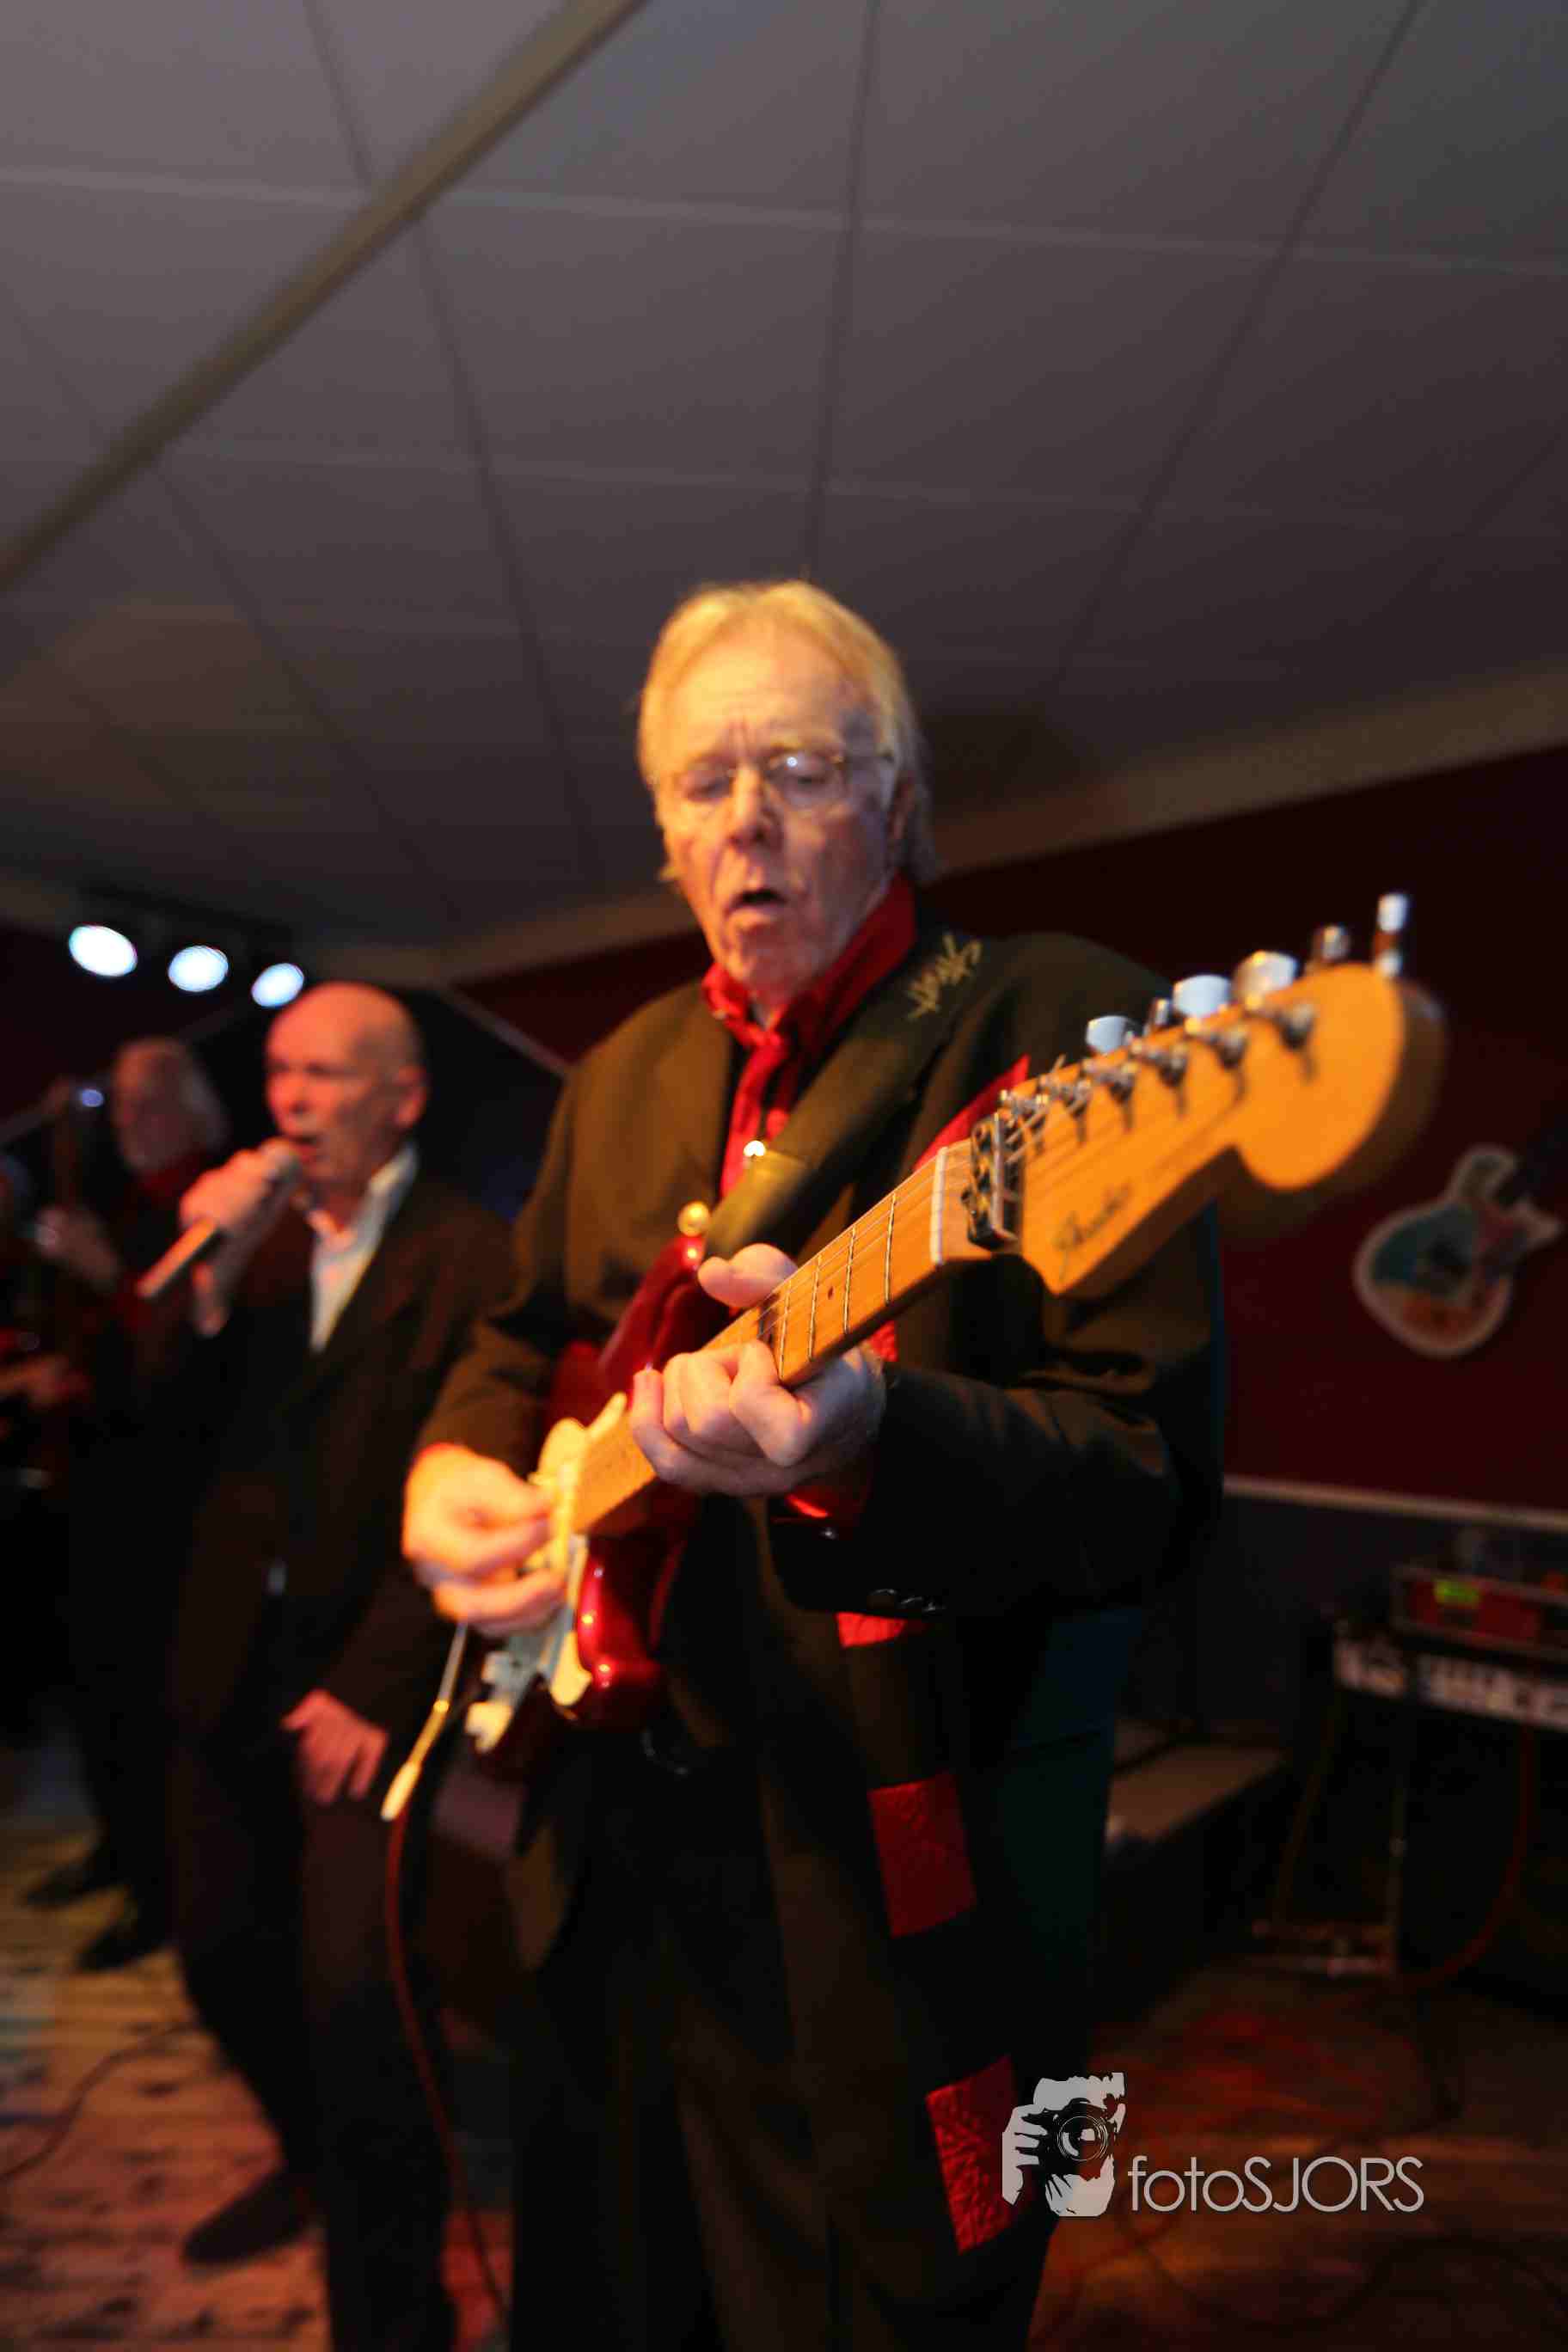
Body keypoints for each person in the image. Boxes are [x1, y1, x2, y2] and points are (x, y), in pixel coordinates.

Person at [402, 582, 1225, 2352]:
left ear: (898, 797)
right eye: (702, 783)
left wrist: (867, 1441)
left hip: (895, 1876)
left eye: (797, 765)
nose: (746, 820)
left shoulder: (1062, 1024)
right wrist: (455, 1461)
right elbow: (514, 1337)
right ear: (663, 835)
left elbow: (1142, 1484)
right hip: (607, 1845)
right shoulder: (617, 1076)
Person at [162, 983, 513, 2352]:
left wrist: (376, 1681)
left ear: (402, 1097)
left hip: (372, 1671)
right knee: (218, 1955)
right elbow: (154, 1447)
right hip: (230, 1660)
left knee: (363, 2005)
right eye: (278, 1074)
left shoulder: (468, 1252)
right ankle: (312, 2163)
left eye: (324, 1075)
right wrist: (204, 1277)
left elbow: (470, 1471)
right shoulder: (248, 1247)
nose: (293, 1103)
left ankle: (394, 2309)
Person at [23, 1039, 226, 1962]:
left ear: (193, 1107)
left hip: (172, 1509)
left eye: (150, 1103)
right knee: (97, 1691)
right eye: (126, 1106)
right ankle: (121, 1850)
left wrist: (107, 1276)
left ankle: (159, 1888)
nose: (133, 1121)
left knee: (149, 1706)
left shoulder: (212, 1207)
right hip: (102, 1489)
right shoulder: (128, 1202)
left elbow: (188, 1365)